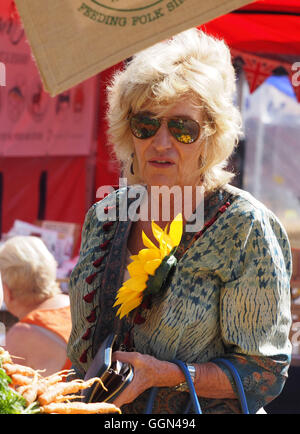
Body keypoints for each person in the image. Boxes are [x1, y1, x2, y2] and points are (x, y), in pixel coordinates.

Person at [67, 28, 292, 414]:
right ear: (128, 131)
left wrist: (165, 373)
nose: (161, 142)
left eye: (182, 128)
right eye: (146, 125)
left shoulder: (244, 226)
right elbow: (79, 352)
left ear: (210, 135)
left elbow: (266, 372)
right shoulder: (104, 216)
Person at [0, 235, 72, 376]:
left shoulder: (23, 334)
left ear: (7, 291)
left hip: (67, 398)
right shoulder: (71, 303)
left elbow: (9, 392)